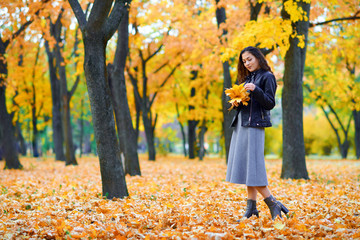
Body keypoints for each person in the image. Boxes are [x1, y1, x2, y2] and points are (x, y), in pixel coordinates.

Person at [226, 46, 289, 220]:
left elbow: (269, 103)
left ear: (258, 58)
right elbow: (249, 103)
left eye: (249, 59)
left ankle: (272, 202)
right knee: (247, 168)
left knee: (253, 167)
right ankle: (251, 209)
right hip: (242, 124)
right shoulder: (247, 78)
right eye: (244, 61)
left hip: (254, 125)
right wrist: (238, 101)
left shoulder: (267, 77)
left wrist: (256, 89)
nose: (247, 63)